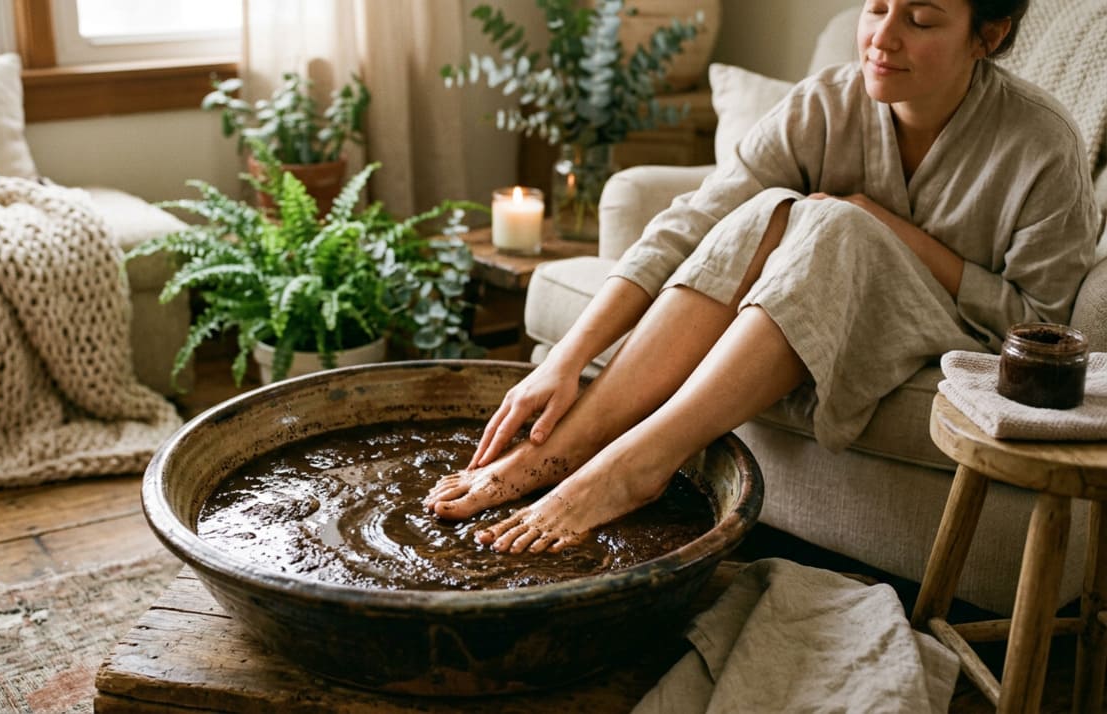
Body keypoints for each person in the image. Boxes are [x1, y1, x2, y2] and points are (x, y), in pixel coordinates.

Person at [424, 0, 1100, 554]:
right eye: (875, 8)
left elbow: (1040, 322)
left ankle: (637, 466)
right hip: (817, 302)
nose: (881, 39)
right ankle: (562, 452)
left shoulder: (1042, 143)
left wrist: (885, 228)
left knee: (838, 225)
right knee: (772, 208)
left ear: (989, 35)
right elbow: (695, 223)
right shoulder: (827, 104)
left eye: (919, 20)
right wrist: (565, 360)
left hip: (962, 341)